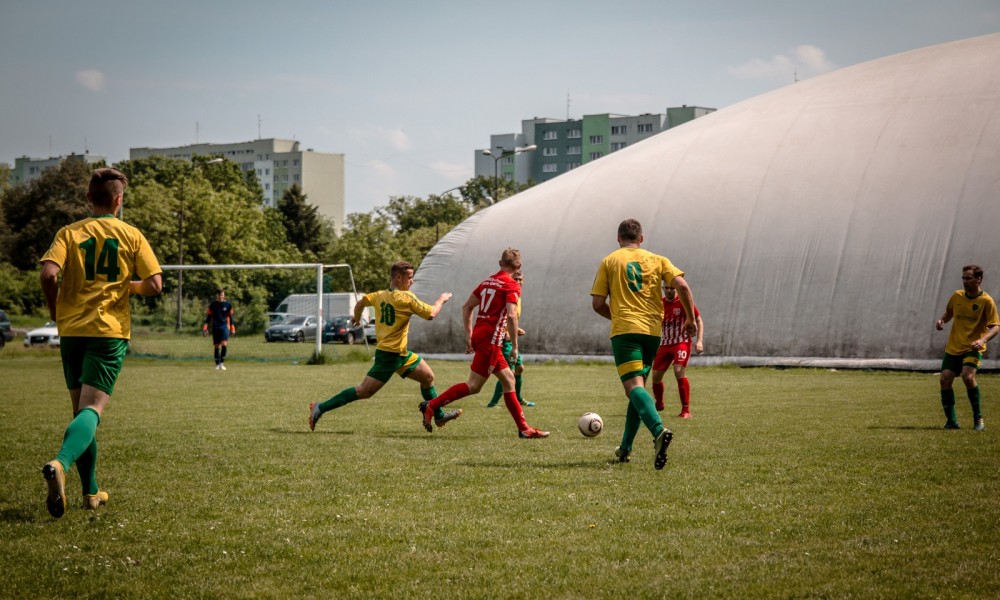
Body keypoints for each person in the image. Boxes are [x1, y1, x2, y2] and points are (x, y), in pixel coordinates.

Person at [39, 168, 163, 518]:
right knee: (92, 411)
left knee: (82, 412)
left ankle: (91, 492)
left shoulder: (69, 232)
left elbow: (49, 274)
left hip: (72, 331)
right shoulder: (131, 234)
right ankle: (61, 463)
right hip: (108, 331)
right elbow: (154, 284)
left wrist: (55, 308)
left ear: (87, 198)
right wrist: (130, 286)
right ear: (119, 200)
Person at [591, 219, 696, 469]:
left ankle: (658, 431)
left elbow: (597, 304)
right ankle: (625, 448)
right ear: (642, 238)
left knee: (634, 388)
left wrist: (617, 316)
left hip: (625, 332)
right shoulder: (658, 259)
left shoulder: (610, 260)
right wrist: (690, 319)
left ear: (618, 238)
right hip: (652, 334)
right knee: (638, 391)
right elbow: (682, 284)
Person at [309, 261, 458, 431]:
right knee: (364, 391)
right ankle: (320, 408)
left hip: (400, 354)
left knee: (428, 377)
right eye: (410, 278)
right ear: (398, 277)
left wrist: (356, 317)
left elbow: (360, 303)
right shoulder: (406, 298)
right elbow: (431, 313)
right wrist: (441, 300)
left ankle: (437, 416)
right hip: (390, 355)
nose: (412, 281)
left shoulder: (379, 295)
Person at [421, 248, 549, 438]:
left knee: (509, 380)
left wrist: (469, 335)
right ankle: (431, 405)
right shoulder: (512, 285)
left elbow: (467, 307)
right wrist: (515, 347)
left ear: (500, 263)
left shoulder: (487, 282)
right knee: (474, 386)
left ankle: (524, 429)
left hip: (482, 335)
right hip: (492, 340)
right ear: (519, 266)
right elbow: (512, 316)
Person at [935, 264, 999, 431]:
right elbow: (948, 314)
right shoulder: (957, 296)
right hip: (954, 346)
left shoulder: (986, 301)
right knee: (945, 378)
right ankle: (951, 422)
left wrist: (983, 340)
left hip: (973, 347)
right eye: (963, 278)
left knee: (968, 377)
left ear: (979, 279)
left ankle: (978, 418)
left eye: (968, 278)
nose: (965, 281)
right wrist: (942, 321)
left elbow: (996, 326)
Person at [650, 283, 704, 418]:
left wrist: (699, 341)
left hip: (681, 342)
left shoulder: (683, 301)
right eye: (666, 288)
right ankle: (659, 403)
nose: (669, 290)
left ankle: (686, 410)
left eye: (672, 288)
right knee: (655, 377)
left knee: (678, 371)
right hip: (665, 343)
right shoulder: (659, 304)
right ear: (662, 289)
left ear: (676, 288)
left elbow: (698, 320)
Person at [486, 271, 533, 408]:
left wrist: (515, 330)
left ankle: (518, 399)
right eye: (516, 279)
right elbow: (503, 316)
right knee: (509, 373)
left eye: (520, 279)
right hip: (504, 340)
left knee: (519, 368)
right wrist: (506, 332)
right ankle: (493, 403)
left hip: (510, 339)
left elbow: (511, 318)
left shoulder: (517, 296)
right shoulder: (509, 294)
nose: (518, 281)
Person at [202, 288, 235, 370]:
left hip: (224, 327)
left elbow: (230, 318)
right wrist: (205, 328)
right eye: (220, 295)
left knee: (224, 344)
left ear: (224, 296)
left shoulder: (228, 305)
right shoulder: (213, 305)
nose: (221, 296)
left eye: (222, 295)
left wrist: (232, 328)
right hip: (216, 327)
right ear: (217, 295)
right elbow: (208, 318)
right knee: (217, 346)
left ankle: (222, 363)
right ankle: (217, 364)